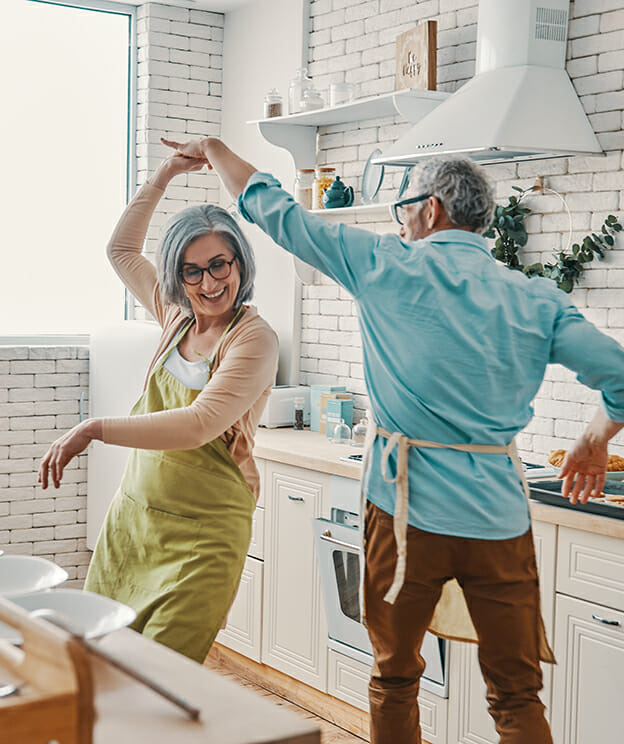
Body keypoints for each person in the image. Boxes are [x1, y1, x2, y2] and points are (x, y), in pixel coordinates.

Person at [159, 135, 624, 744]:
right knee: (516, 693)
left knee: (395, 677)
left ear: (430, 209)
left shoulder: (383, 264)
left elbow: (273, 209)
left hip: (404, 517)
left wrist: (216, 149)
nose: (400, 220)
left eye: (403, 207)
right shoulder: (533, 296)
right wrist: (594, 440)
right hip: (499, 522)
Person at [38, 150, 279, 664]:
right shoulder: (176, 316)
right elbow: (122, 250)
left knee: (160, 674)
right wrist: (163, 175)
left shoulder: (253, 340)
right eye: (192, 272)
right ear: (177, 276)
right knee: (99, 663)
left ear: (239, 262)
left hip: (203, 537)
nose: (209, 284)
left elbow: (199, 424)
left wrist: (95, 428)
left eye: (219, 265)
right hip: (134, 522)